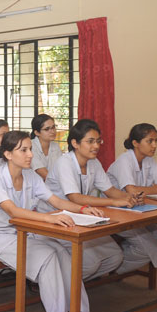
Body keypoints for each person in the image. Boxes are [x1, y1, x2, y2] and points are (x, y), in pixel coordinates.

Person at [0, 131, 107, 312]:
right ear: (7, 154)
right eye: (23, 150)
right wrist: (49, 219)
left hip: (23, 232)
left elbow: (57, 201)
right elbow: (13, 211)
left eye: (29, 150)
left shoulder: (31, 176)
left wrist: (84, 209)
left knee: (64, 254)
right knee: (48, 258)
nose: (29, 155)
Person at [39, 119, 130, 279]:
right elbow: (75, 197)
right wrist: (114, 202)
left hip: (81, 217)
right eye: (90, 141)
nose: (96, 146)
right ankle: (57, 283)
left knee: (115, 257)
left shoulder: (93, 163)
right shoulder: (64, 163)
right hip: (56, 220)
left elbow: (110, 190)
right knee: (91, 263)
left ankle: (73, 283)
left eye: (98, 141)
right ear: (75, 143)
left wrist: (129, 198)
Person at [107, 123, 157, 273]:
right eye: (150, 141)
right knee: (148, 249)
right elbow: (132, 191)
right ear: (135, 143)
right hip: (118, 213)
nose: (154, 145)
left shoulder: (149, 160)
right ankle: (113, 269)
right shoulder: (124, 161)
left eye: (156, 141)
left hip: (140, 211)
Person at [30, 114, 62, 180]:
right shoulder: (30, 146)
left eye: (53, 127)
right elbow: (44, 174)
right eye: (47, 129)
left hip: (53, 185)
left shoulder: (55, 146)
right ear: (37, 133)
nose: (52, 131)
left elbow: (61, 170)